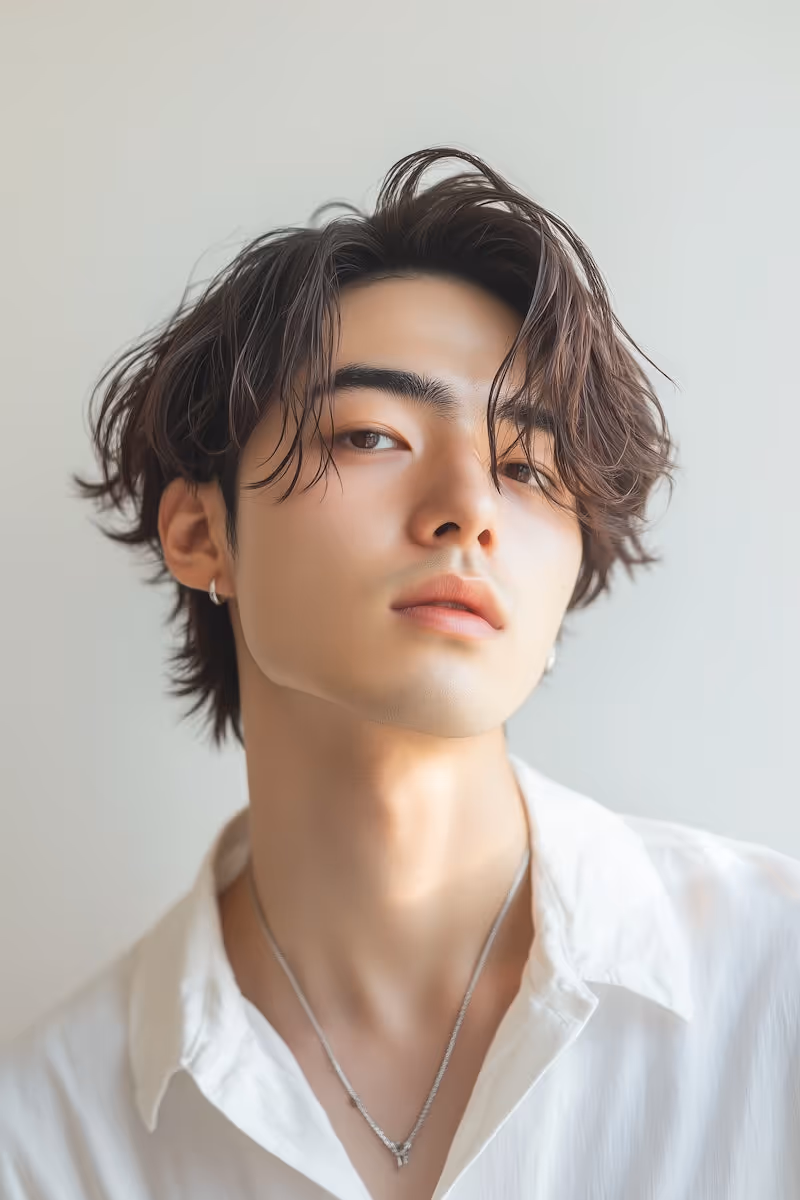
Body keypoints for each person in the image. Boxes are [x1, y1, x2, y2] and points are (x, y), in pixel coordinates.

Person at [1, 146, 798, 1200]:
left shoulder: (773, 985)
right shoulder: (45, 1142)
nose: (468, 507)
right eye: (373, 434)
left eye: (525, 467)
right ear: (201, 534)